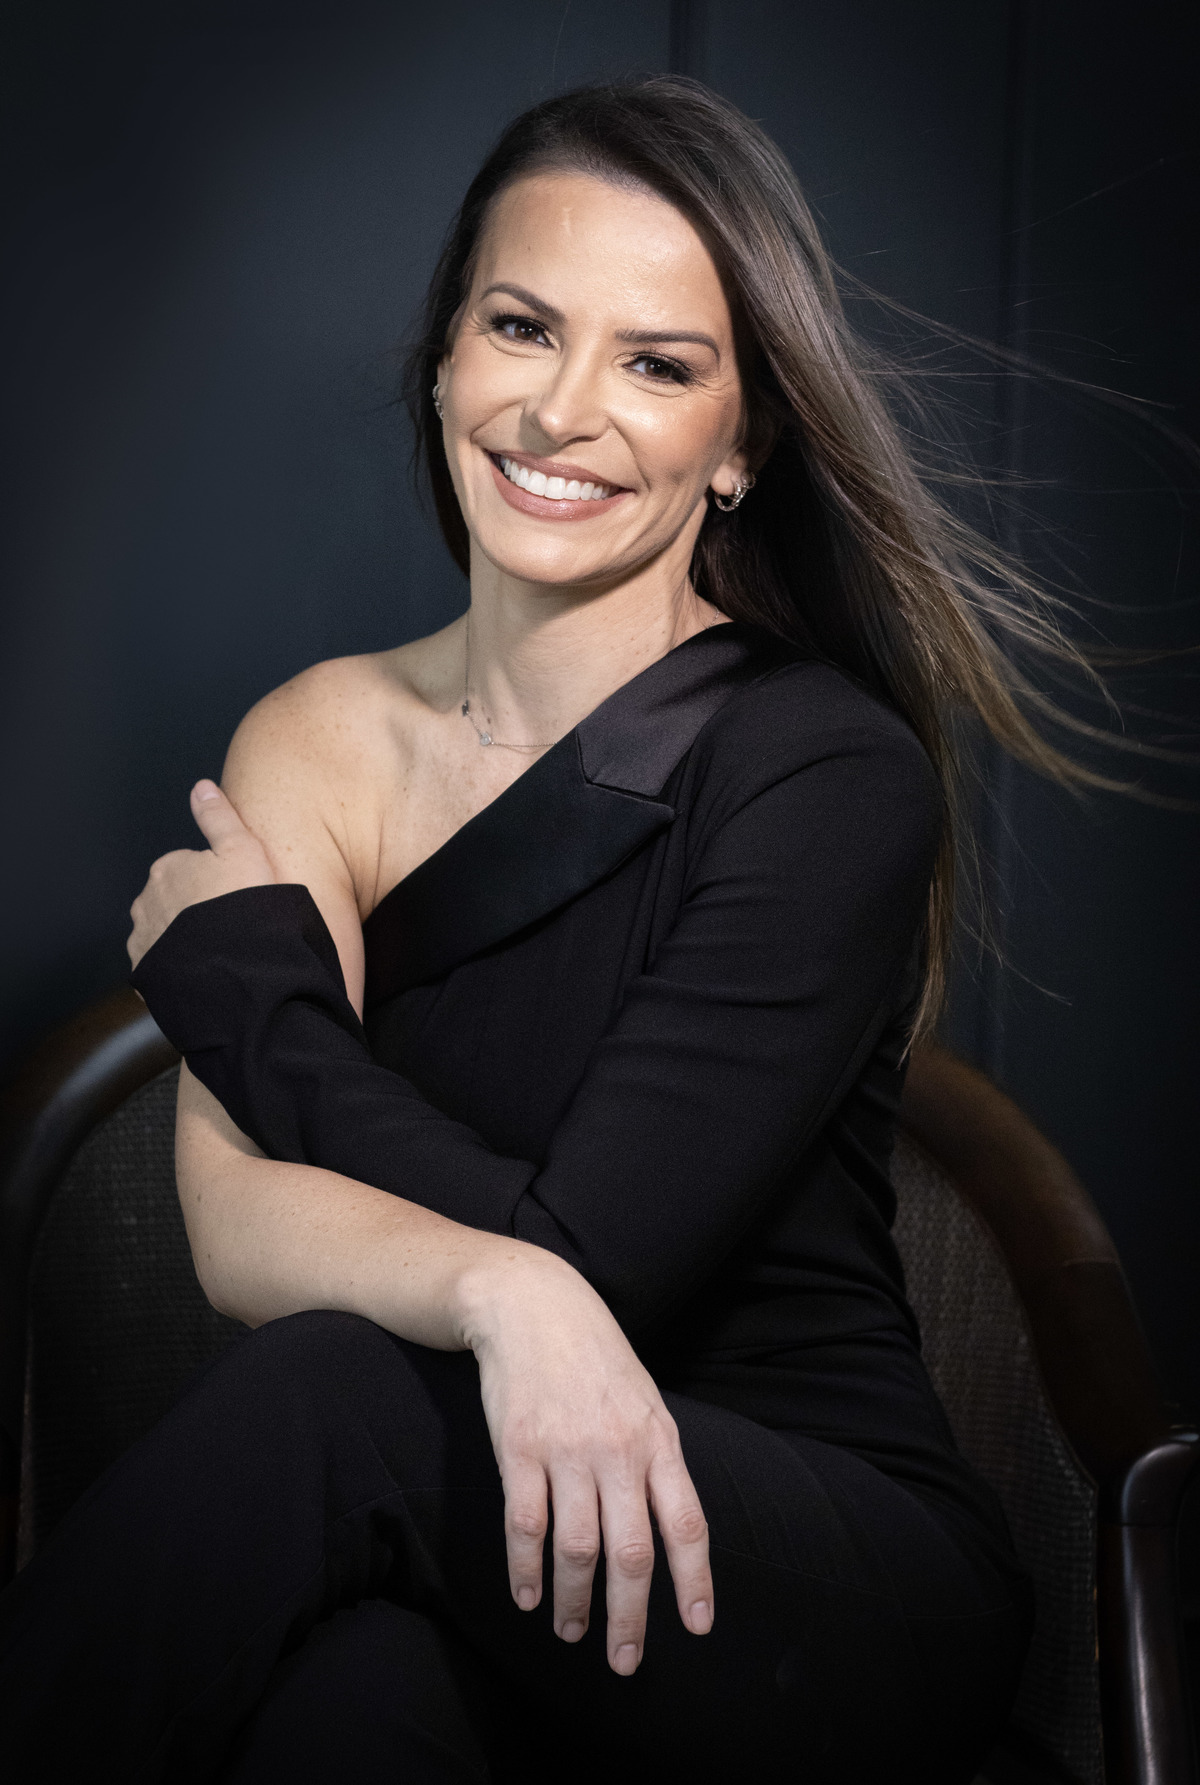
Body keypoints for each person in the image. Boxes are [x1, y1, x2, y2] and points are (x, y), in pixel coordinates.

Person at [0, 75, 1079, 1784]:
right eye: (522, 327)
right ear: (445, 357)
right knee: (346, 1701)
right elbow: (241, 1229)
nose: (565, 410)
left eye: (658, 365)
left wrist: (258, 1004)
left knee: (336, 1395)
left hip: (804, 1558)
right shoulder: (318, 736)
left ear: (742, 446)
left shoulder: (826, 773)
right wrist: (501, 1292)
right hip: (482, 1516)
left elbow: (602, 1259)